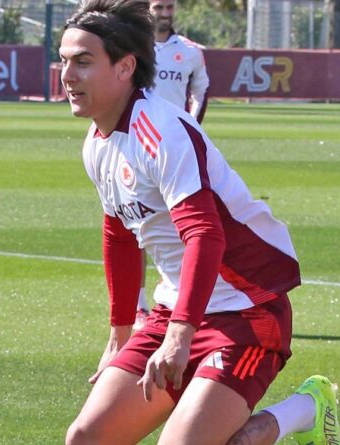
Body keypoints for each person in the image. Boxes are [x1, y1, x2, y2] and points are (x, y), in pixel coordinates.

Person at [60, 1, 340, 444]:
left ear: (124, 67)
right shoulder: (97, 143)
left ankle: (304, 410)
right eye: (64, 61)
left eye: (83, 61)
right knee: (85, 438)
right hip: (176, 308)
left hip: (245, 309)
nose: (67, 75)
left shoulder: (163, 130)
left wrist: (180, 334)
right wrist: (120, 334)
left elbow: (204, 235)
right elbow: (119, 232)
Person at [134, 0, 212, 331]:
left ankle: (182, 299)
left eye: (169, 6)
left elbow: (201, 91)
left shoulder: (192, 52)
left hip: (176, 151)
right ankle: (138, 306)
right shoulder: (133, 48)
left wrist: (191, 130)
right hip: (136, 145)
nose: (165, 12)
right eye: (158, 6)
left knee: (183, 225)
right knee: (136, 226)